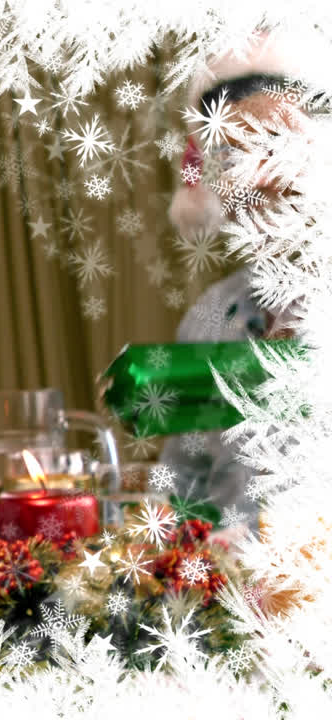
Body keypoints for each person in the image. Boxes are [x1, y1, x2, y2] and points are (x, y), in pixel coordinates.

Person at [160, 33, 314, 529]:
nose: (256, 178)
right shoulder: (208, 318)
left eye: (276, 145)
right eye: (230, 157)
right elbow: (180, 483)